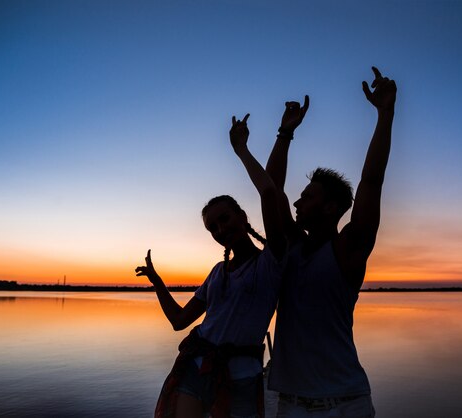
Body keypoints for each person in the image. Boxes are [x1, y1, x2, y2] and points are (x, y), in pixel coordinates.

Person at [265, 67, 397, 417]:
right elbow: (271, 189)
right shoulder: (292, 247)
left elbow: (372, 181)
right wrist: (285, 133)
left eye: (306, 197)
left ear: (331, 207)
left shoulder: (348, 250)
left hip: (345, 404)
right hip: (290, 405)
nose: (296, 203)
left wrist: (385, 114)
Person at [135, 115, 286, 418]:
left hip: (242, 378)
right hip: (195, 368)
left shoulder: (271, 261)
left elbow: (270, 193)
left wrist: (241, 150)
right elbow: (179, 320)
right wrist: (157, 282)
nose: (219, 229)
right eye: (212, 227)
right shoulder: (218, 271)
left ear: (243, 216)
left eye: (224, 219)